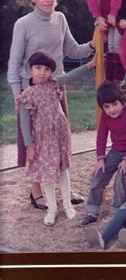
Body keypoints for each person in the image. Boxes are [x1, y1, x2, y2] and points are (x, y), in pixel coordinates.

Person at [7, 0, 95, 210]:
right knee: (34, 141)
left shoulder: (60, 19)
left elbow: (74, 50)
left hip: (56, 90)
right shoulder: (23, 24)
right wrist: (18, 93)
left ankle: (63, 186)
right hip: (31, 92)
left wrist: (94, 44)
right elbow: (14, 63)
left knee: (59, 138)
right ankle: (36, 192)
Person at [17, 51, 96, 226]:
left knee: (62, 169)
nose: (42, 72)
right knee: (47, 174)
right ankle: (52, 209)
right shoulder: (27, 94)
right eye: (38, 68)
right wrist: (29, 145)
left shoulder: (54, 84)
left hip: (60, 135)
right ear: (30, 68)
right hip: (43, 140)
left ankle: (68, 206)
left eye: (47, 69)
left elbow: (69, 76)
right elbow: (24, 121)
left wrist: (89, 65)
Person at [78, 82, 126, 227]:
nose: (111, 110)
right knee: (97, 176)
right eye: (107, 107)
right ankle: (92, 211)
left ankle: (117, 213)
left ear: (122, 101)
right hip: (116, 150)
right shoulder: (105, 115)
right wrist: (100, 158)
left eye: (115, 104)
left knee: (120, 179)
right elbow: (101, 135)